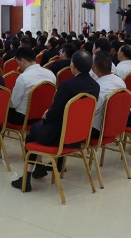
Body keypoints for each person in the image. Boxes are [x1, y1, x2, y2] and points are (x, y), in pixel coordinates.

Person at [11, 50, 99, 192]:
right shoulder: (95, 86)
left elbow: (55, 112)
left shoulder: (67, 85)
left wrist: (47, 114)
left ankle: (26, 178)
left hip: (58, 136)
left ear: (73, 66)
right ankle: (38, 169)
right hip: (78, 136)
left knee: (33, 130)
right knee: (37, 128)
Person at [0, 46, 56, 156]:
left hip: (22, 118)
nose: (18, 66)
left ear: (23, 60)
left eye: (18, 63)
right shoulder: (50, 74)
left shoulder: (24, 77)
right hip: (41, 117)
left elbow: (13, 104)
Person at [90, 51, 126, 138]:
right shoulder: (120, 81)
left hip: (98, 130)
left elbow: (90, 111)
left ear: (95, 69)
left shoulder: (98, 88)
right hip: (117, 125)